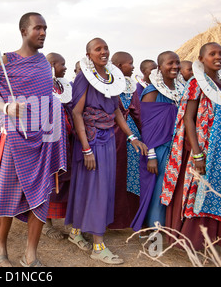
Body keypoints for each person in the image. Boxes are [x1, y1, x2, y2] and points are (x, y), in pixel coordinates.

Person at [0, 12, 67, 267]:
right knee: (7, 194)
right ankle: (1, 248)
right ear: (23, 31)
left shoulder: (43, 63)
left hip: (41, 141)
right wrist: (5, 107)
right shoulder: (6, 61)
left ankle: (31, 253)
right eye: (37, 28)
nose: (43, 33)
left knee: (40, 197)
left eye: (45, 28)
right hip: (13, 141)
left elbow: (46, 96)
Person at [65, 38, 147, 265]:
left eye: (105, 48)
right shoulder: (84, 78)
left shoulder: (112, 78)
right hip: (91, 141)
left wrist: (131, 137)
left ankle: (76, 232)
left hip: (108, 140)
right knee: (94, 188)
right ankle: (98, 246)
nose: (103, 52)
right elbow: (77, 114)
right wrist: (86, 149)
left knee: (98, 187)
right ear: (88, 54)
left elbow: (117, 111)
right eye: (97, 49)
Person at [162, 42, 221, 258]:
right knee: (202, 192)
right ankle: (198, 240)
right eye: (212, 54)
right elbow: (188, 120)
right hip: (205, 151)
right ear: (201, 59)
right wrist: (198, 153)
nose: (217, 57)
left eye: (220, 53)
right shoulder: (196, 84)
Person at [130, 51, 184, 232]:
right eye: (170, 63)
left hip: (177, 148)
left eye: (177, 63)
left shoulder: (181, 90)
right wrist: (151, 155)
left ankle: (169, 228)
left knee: (173, 189)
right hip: (158, 150)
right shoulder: (152, 91)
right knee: (158, 190)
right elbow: (146, 127)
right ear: (160, 67)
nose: (175, 66)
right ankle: (155, 230)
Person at [108, 51, 141, 229]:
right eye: (130, 63)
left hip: (130, 135)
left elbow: (137, 111)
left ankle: (128, 218)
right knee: (115, 175)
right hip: (113, 134)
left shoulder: (130, 85)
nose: (133, 66)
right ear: (120, 66)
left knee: (131, 175)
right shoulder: (107, 84)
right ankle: (113, 219)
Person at [43, 52, 73, 239]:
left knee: (62, 182)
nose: (65, 68)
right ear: (53, 65)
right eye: (63, 65)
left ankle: (56, 218)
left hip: (66, 140)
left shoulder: (63, 86)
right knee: (48, 182)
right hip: (49, 143)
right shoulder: (41, 85)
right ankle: (45, 223)